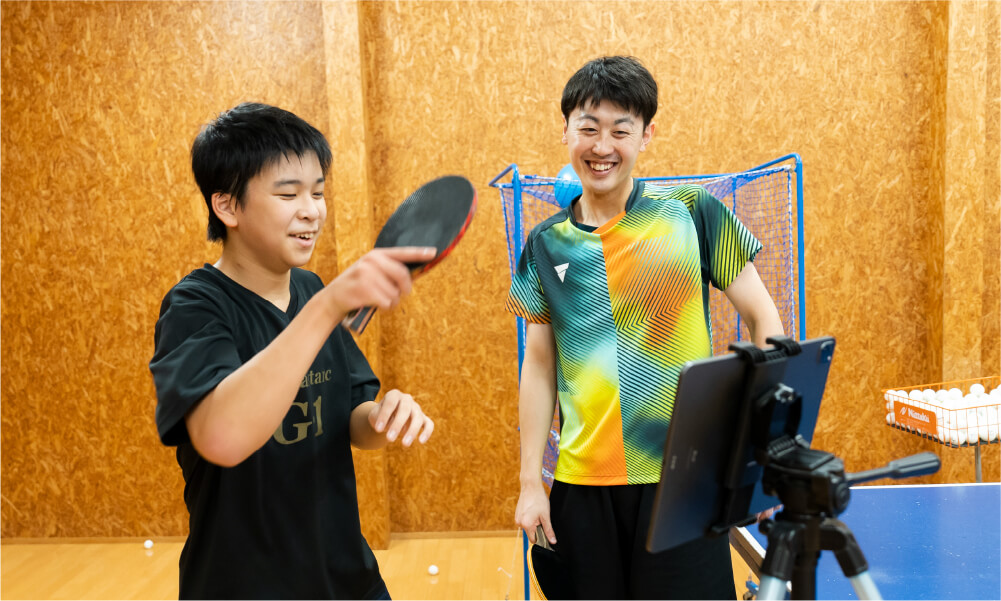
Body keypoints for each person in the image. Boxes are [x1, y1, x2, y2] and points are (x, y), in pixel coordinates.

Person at [508, 56, 785, 599]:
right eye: (588, 128)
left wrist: (765, 441)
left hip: (685, 480)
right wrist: (529, 484)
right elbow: (539, 366)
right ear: (565, 131)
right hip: (583, 484)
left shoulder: (693, 212)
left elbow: (763, 318)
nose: (602, 146)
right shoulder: (544, 244)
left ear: (646, 135)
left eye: (621, 130)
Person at [150, 102, 435, 599]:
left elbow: (351, 419)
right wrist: (326, 308)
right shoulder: (195, 306)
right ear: (227, 207)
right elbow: (222, 437)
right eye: (288, 194)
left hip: (346, 577)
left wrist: (382, 417)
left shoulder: (310, 290)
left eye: (318, 192)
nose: (312, 210)